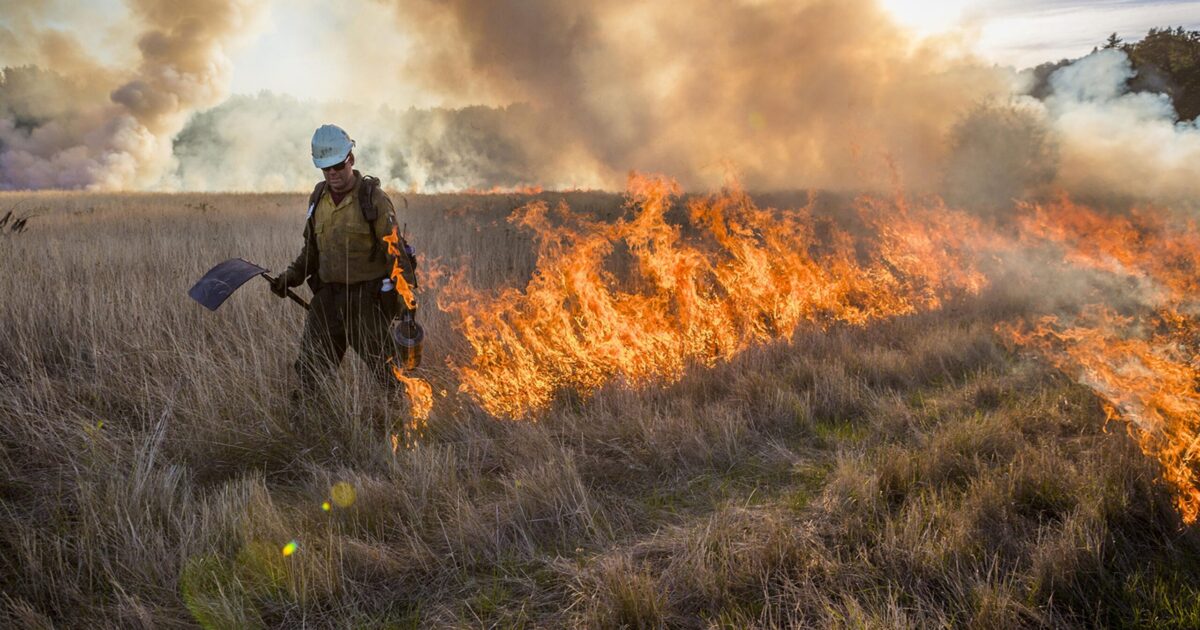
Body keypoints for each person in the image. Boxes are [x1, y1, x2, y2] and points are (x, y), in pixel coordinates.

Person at [270, 124, 417, 395]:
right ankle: (308, 426)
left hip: (366, 303)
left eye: (338, 165)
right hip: (326, 301)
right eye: (326, 168)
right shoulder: (318, 197)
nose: (333, 173)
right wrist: (289, 277)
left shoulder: (373, 199)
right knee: (309, 375)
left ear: (351, 159)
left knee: (390, 376)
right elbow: (311, 251)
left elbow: (396, 255)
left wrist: (407, 306)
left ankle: (401, 423)